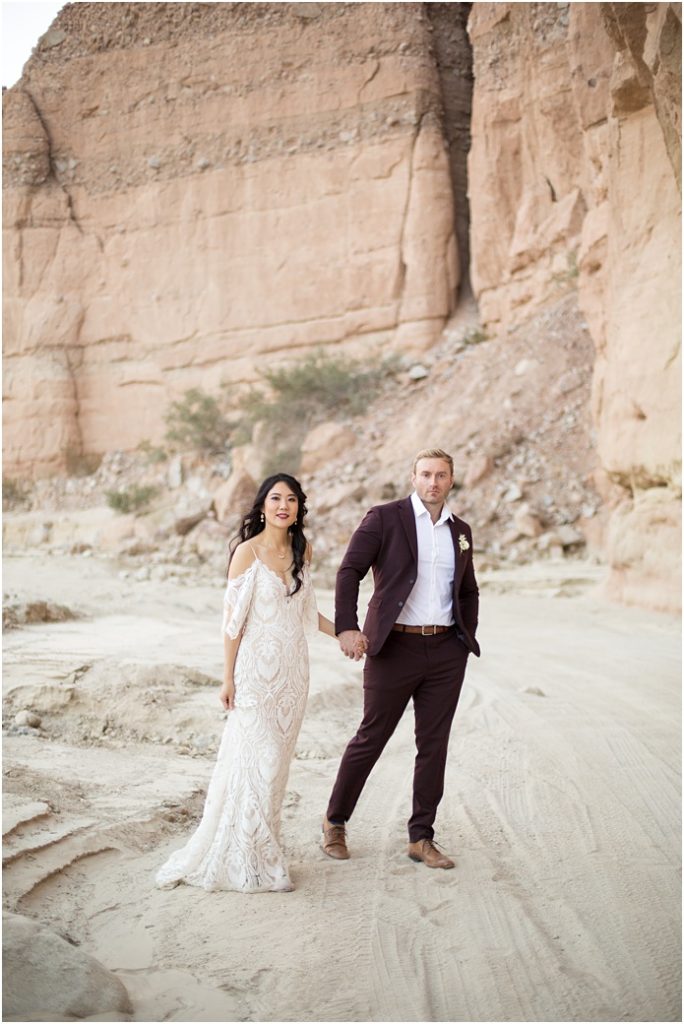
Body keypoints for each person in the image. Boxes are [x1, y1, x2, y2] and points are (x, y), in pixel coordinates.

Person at [156, 473, 343, 894]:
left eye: (291, 500)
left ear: (298, 509)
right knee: (262, 761)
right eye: (275, 498)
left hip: (294, 676)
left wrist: (348, 634)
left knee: (277, 771)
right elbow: (232, 623)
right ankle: (247, 858)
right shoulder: (246, 553)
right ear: (262, 506)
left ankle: (262, 849)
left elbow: (308, 615)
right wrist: (227, 678)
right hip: (255, 678)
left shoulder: (303, 550)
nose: (283, 506)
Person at [322, 448, 480, 870]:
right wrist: (346, 627)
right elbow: (348, 572)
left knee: (434, 744)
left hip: (446, 651)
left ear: (451, 480)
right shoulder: (384, 518)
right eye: (426, 474)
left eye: (441, 475)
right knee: (371, 736)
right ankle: (335, 821)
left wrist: (466, 638)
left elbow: (468, 589)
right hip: (393, 648)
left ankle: (421, 837)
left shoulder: (460, 530)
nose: (433, 482)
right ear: (413, 477)